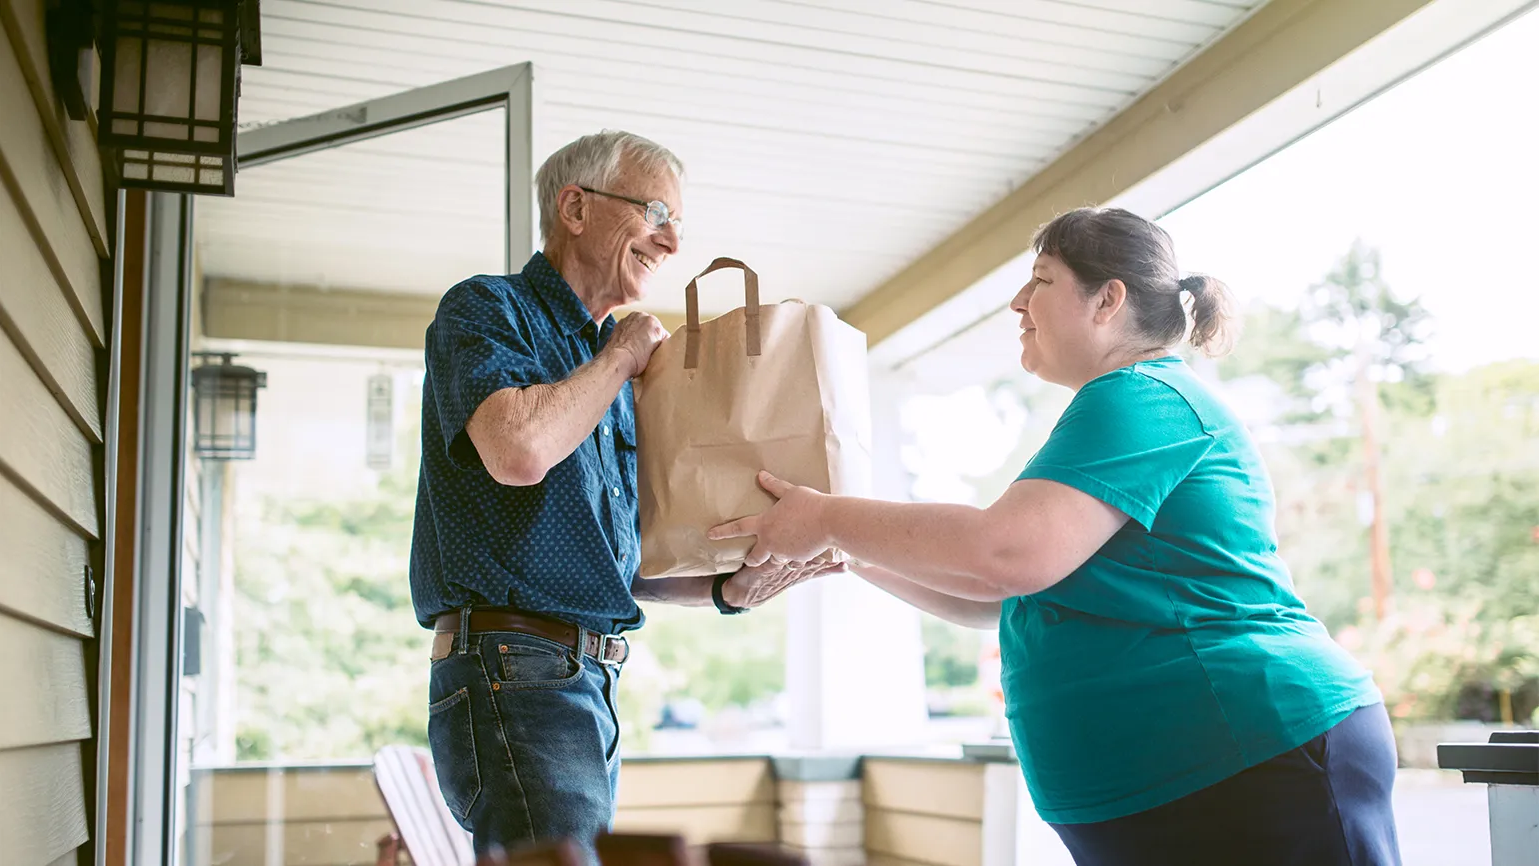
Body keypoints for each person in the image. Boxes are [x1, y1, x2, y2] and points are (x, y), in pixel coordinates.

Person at [712, 207, 1402, 866]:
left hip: (1251, 752)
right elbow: (995, 592)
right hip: (1188, 780)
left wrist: (828, 517)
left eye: (1040, 281)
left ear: (1108, 301)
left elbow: (1006, 553)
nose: (1017, 302)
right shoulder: (1117, 409)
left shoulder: (1144, 395)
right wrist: (843, 550)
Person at [410, 130, 837, 860]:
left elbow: (621, 565)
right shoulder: (488, 309)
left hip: (581, 680)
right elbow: (519, 451)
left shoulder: (606, 375)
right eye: (656, 213)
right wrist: (619, 356)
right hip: (516, 668)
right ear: (575, 207)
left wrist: (732, 589)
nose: (672, 243)